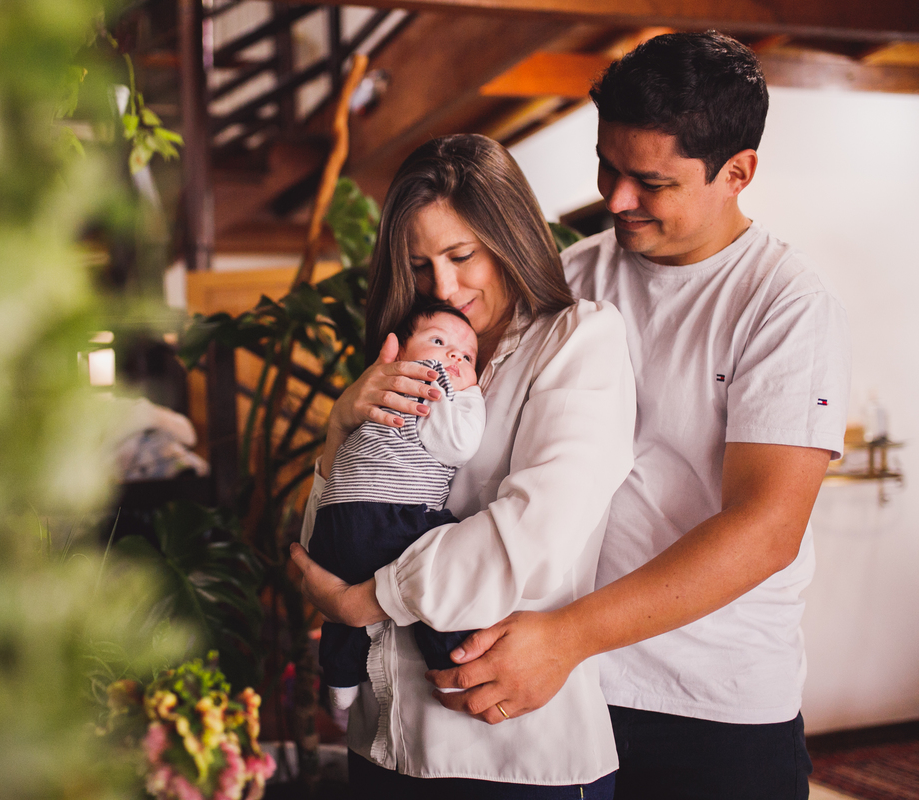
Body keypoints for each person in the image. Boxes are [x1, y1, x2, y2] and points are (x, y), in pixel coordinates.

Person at [407, 32, 848, 800]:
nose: (614, 200)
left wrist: (567, 638)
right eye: (607, 165)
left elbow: (766, 531)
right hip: (563, 686)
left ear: (738, 172)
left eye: (649, 181)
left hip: (713, 707)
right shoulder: (570, 277)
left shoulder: (784, 305)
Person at [293, 133, 636, 798]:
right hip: (380, 741)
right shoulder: (409, 352)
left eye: (461, 255)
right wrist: (339, 427)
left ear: (508, 236)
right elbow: (336, 529)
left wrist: (368, 600)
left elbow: (533, 536)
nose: (443, 286)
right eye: (420, 266)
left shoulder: (579, 341)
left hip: (506, 754)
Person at [306, 300, 486, 712]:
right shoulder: (435, 390)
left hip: (334, 520)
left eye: (468, 356)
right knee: (443, 553)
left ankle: (340, 678)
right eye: (438, 342)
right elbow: (458, 445)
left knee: (344, 595)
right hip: (389, 515)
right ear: (398, 353)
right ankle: (449, 659)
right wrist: (462, 391)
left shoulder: (376, 397)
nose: (453, 356)